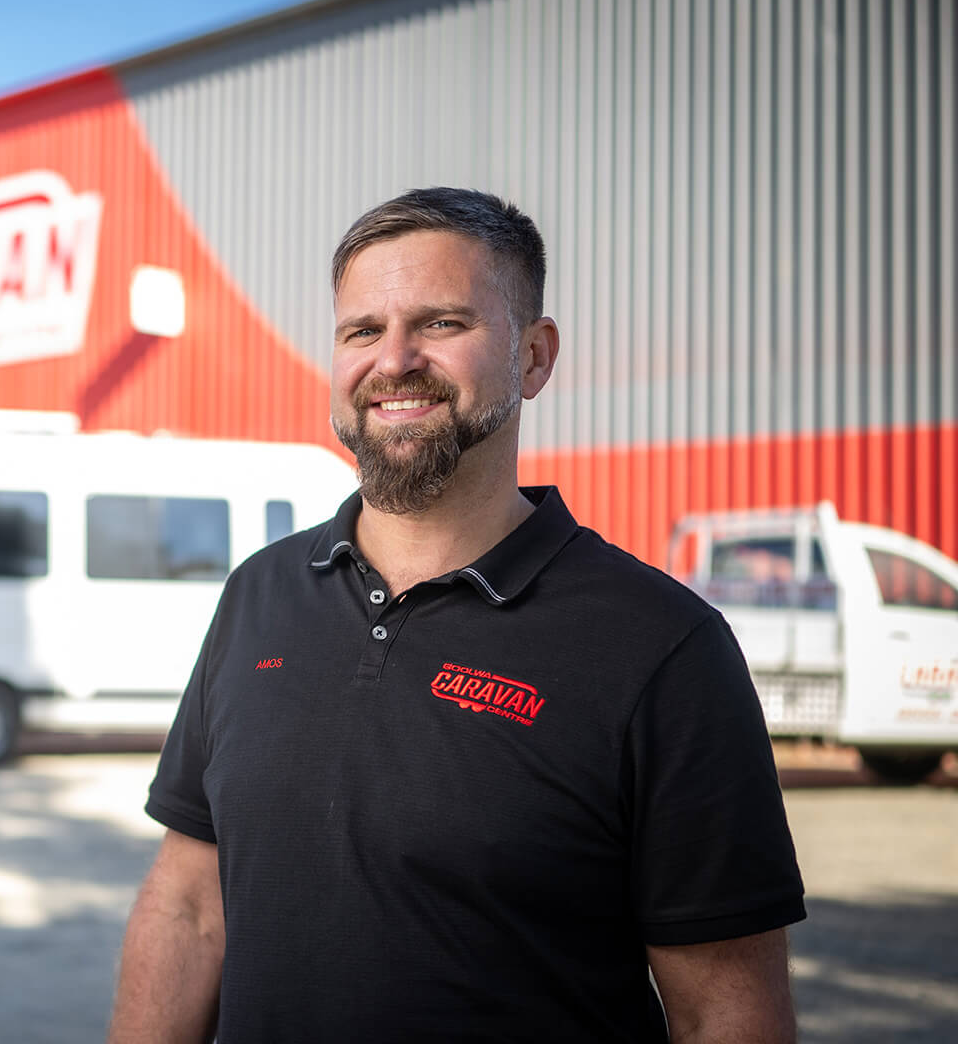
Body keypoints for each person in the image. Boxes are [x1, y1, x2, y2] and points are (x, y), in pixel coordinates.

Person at [107, 188, 805, 1043]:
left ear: (535, 358)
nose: (394, 359)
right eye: (363, 330)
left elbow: (724, 1012)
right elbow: (188, 905)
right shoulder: (259, 594)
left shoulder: (661, 646)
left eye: (441, 324)